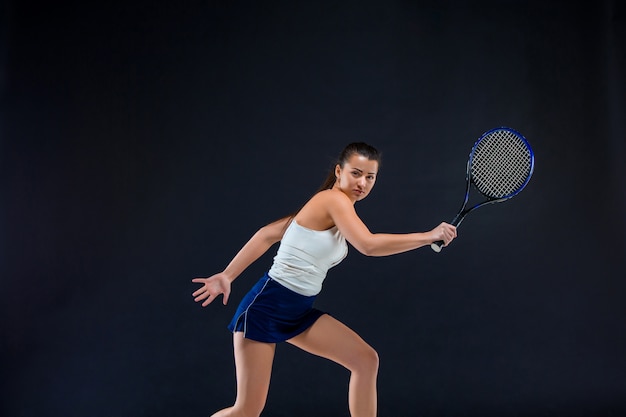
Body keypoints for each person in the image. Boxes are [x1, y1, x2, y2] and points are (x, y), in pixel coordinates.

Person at [192, 142, 457, 417]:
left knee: (365, 361)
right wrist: (429, 236)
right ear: (339, 171)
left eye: (370, 177)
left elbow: (267, 234)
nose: (362, 183)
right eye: (356, 173)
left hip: (298, 310)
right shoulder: (332, 200)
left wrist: (227, 275)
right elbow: (368, 245)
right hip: (265, 309)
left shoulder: (333, 208)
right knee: (247, 410)